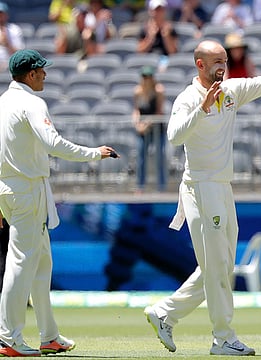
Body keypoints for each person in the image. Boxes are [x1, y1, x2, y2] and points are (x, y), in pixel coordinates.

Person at [143, 17, 261, 356]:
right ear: (200, 65)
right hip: (201, 188)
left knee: (220, 267)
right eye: (218, 62)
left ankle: (165, 313)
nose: (224, 67)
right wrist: (202, 110)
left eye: (226, 62)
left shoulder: (231, 91)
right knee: (217, 268)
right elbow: (174, 136)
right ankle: (223, 338)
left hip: (222, 187)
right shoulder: (189, 98)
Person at [0, 49, 118, 357]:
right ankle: (7, 338)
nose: (46, 75)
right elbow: (53, 143)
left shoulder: (3, 102)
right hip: (27, 190)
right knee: (21, 262)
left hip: (10, 190)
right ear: (31, 74)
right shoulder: (31, 102)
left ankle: (48, 335)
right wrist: (95, 152)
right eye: (42, 71)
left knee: (41, 263)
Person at [132, 65, 167, 193]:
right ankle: (140, 186)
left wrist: (146, 124)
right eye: (144, 76)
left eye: (149, 76)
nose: (146, 79)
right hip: (142, 130)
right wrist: (137, 124)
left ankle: (161, 186)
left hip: (157, 129)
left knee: (160, 156)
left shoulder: (158, 90)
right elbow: (136, 110)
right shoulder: (137, 91)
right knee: (141, 156)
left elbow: (159, 111)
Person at [0, 2, 24, 73]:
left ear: (6, 15)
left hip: (10, 65)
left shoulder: (15, 29)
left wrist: (7, 43)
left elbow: (19, 55)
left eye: (2, 14)